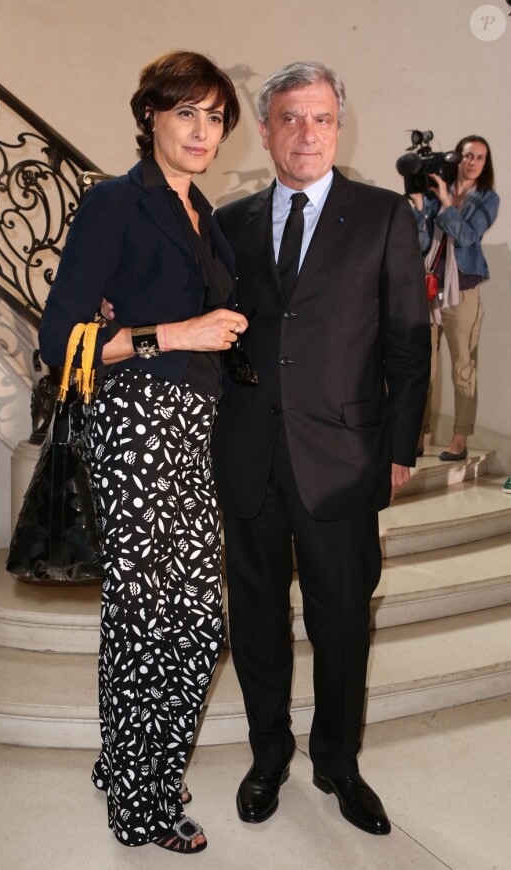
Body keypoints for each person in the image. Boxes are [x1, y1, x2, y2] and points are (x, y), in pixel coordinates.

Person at [211, 61, 430, 836]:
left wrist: (401, 445)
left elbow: (408, 341)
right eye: (293, 119)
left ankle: (338, 761)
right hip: (248, 456)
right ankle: (267, 755)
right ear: (266, 130)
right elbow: (208, 330)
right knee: (260, 619)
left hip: (343, 459)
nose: (308, 133)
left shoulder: (382, 216)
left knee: (341, 620)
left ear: (339, 127)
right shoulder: (228, 222)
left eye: (323, 119)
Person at [39, 51, 246, 854]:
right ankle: (142, 800)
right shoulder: (114, 204)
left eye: (215, 116)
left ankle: (128, 762)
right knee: (168, 621)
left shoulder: (206, 214)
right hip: (133, 429)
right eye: (185, 112)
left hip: (190, 432)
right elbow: (62, 345)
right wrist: (176, 334)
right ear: (151, 117)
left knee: (167, 621)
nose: (202, 130)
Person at [411, 136, 499, 461]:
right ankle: (416, 436)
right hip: (428, 291)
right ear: (456, 158)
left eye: (479, 157)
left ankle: (459, 440)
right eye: (467, 155)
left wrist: (447, 202)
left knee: (463, 368)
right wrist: (421, 205)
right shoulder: (436, 193)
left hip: (462, 293)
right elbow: (420, 244)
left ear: (485, 164)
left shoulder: (487, 199)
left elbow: (464, 237)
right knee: (423, 368)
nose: (472, 161)